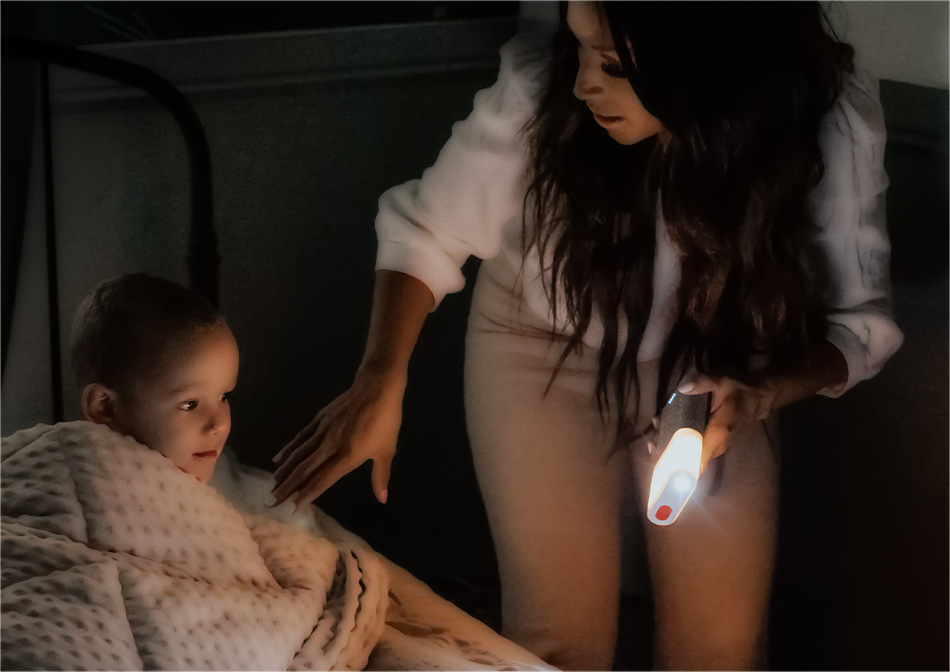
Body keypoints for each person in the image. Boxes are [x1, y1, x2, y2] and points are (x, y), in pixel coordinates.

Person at [272, 2, 904, 669]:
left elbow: (859, 325)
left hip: (718, 368)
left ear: (707, 63)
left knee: (721, 648)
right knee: (558, 642)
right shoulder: (548, 83)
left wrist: (760, 393)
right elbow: (429, 229)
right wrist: (381, 378)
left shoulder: (823, 109)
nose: (582, 84)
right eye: (579, 51)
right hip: (540, 342)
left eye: (612, 65)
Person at [70, 273, 239, 484]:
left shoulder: (228, 480)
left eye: (223, 396)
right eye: (191, 404)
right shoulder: (100, 495)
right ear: (106, 407)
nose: (219, 424)